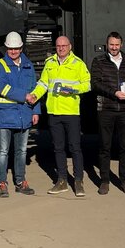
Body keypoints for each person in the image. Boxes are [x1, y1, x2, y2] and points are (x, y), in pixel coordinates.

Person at [28, 35, 91, 197]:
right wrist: (35, 95)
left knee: (75, 148)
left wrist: (71, 90)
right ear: (55, 47)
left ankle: (78, 181)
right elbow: (43, 83)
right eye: (58, 46)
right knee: (58, 148)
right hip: (54, 113)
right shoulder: (49, 63)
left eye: (64, 45)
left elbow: (87, 84)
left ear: (70, 47)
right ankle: (62, 180)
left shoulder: (78, 64)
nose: (61, 48)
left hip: (71, 113)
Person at [0, 31, 41, 197]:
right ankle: (2, 183)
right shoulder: (0, 65)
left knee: (21, 151)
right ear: (7, 48)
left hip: (24, 115)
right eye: (10, 48)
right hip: (6, 116)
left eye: (16, 48)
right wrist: (24, 96)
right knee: (3, 151)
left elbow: (35, 90)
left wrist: (36, 111)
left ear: (21, 48)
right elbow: (2, 88)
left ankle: (20, 181)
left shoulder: (28, 65)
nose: (13, 51)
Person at [90, 31, 125, 195]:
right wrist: (114, 93)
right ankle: (104, 181)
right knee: (105, 147)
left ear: (121, 45)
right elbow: (95, 84)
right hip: (106, 110)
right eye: (111, 45)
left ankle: (124, 181)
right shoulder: (99, 61)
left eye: (117, 45)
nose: (114, 48)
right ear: (107, 44)